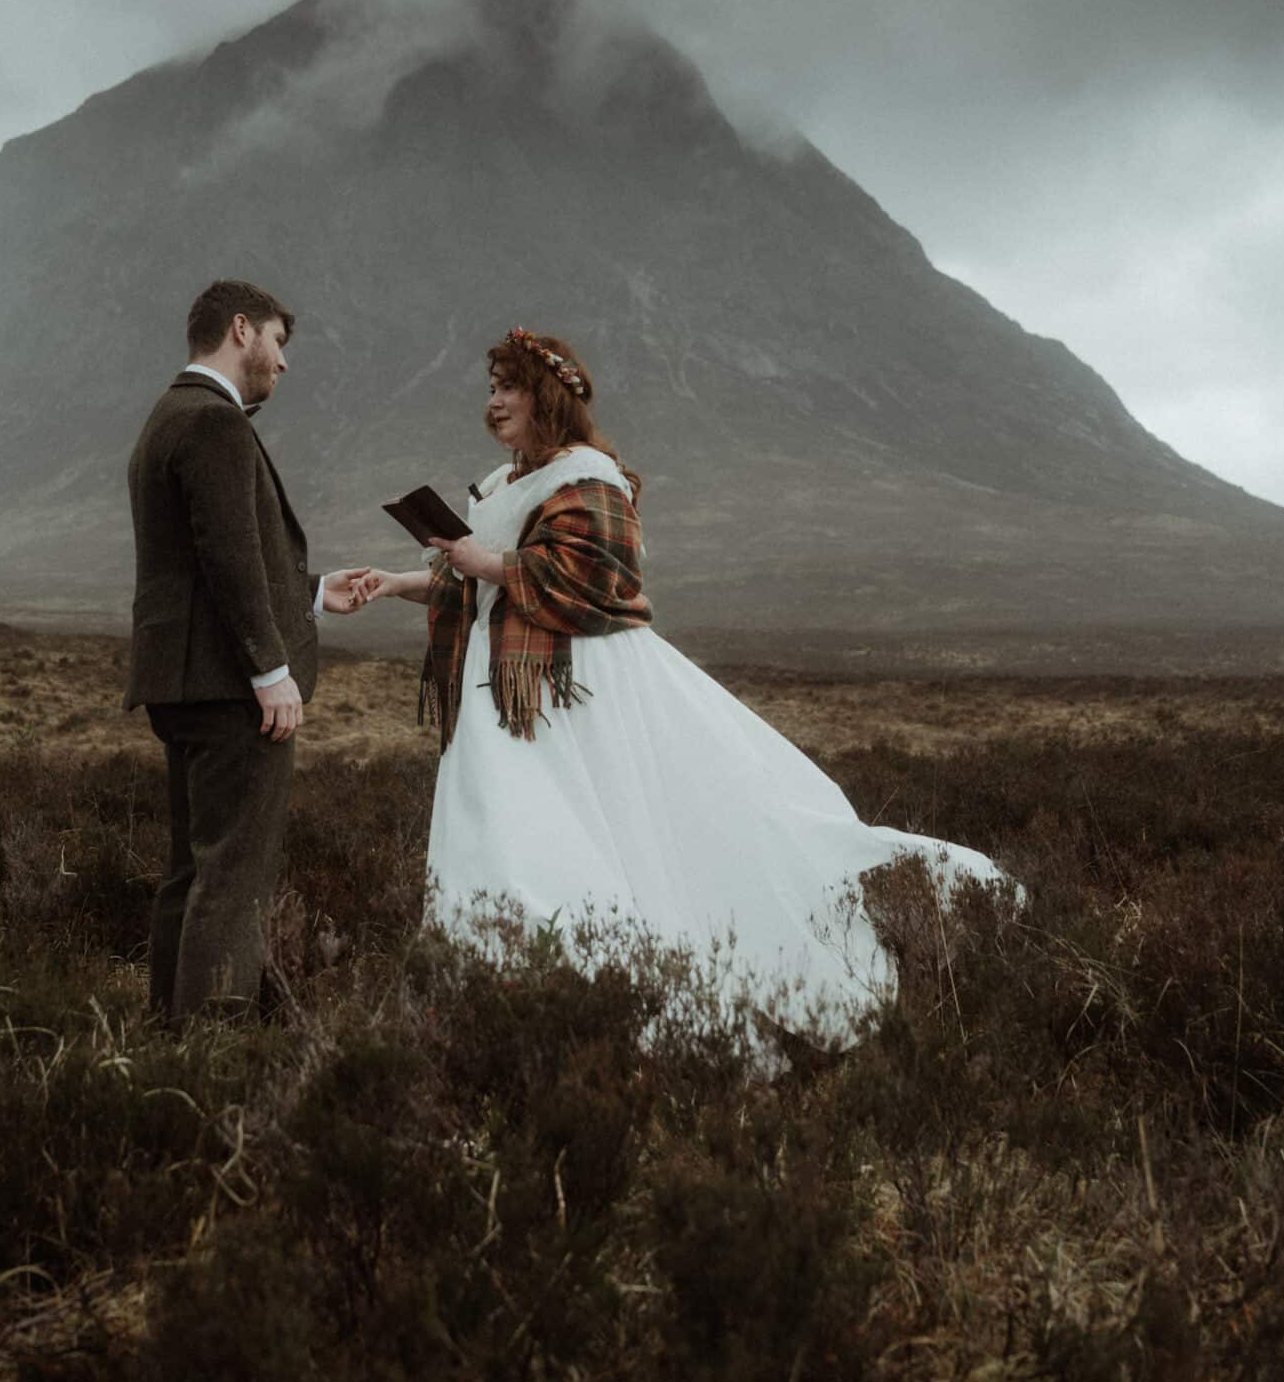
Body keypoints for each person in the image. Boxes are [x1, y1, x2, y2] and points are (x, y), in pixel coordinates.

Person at [365, 327, 1016, 1042]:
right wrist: (393, 582)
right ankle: (496, 1000)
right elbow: (475, 579)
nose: (495, 403)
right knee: (502, 827)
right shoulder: (501, 483)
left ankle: (576, 997)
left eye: (510, 387)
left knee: (573, 829)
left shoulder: (587, 477)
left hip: (571, 688)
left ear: (547, 396)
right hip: (504, 690)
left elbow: (595, 579)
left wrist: (483, 561)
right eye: (491, 389)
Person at [125, 279, 384, 1023]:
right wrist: (271, 672)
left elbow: (209, 558)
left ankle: (167, 1034)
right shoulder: (214, 424)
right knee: (233, 878)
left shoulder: (166, 416)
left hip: (183, 684)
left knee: (192, 871)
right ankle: (212, 1050)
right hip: (230, 688)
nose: (283, 362)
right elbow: (230, 561)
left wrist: (309, 592)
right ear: (242, 330)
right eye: (278, 341)